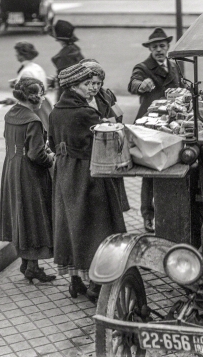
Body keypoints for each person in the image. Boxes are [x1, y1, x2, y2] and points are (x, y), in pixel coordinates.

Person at [48, 63, 127, 302]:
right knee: (96, 225)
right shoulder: (87, 114)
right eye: (86, 85)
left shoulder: (55, 112)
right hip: (88, 174)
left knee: (71, 224)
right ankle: (95, 285)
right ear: (73, 86)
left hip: (63, 174)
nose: (91, 89)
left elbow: (52, 144)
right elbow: (107, 143)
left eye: (93, 85)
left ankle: (75, 282)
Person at [128, 27, 185, 233]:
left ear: (168, 46)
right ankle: (147, 215)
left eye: (162, 46)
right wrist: (140, 85)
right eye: (155, 47)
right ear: (150, 49)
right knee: (150, 172)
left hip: (172, 124)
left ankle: (167, 211)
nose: (159, 50)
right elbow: (133, 83)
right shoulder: (143, 67)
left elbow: (183, 88)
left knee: (170, 167)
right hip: (150, 126)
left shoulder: (174, 65)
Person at [0, 77, 56, 284]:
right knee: (34, 217)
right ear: (33, 97)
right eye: (41, 94)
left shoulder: (11, 114)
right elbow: (36, 155)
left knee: (20, 215)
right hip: (30, 174)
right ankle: (32, 267)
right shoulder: (33, 119)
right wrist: (51, 157)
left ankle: (27, 263)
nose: (43, 98)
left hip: (11, 169)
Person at [82, 59, 130, 213]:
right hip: (89, 155)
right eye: (91, 83)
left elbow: (119, 116)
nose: (95, 87)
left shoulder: (106, 95)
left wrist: (105, 123)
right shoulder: (77, 100)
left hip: (108, 150)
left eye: (98, 83)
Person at [8, 42, 53, 131]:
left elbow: (27, 94)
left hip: (33, 106)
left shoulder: (26, 72)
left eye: (17, 53)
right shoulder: (37, 67)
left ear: (21, 55)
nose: (15, 55)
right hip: (43, 103)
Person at [50, 20, 84, 101]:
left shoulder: (63, 56)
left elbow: (63, 86)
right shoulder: (74, 49)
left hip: (69, 99)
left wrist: (59, 104)